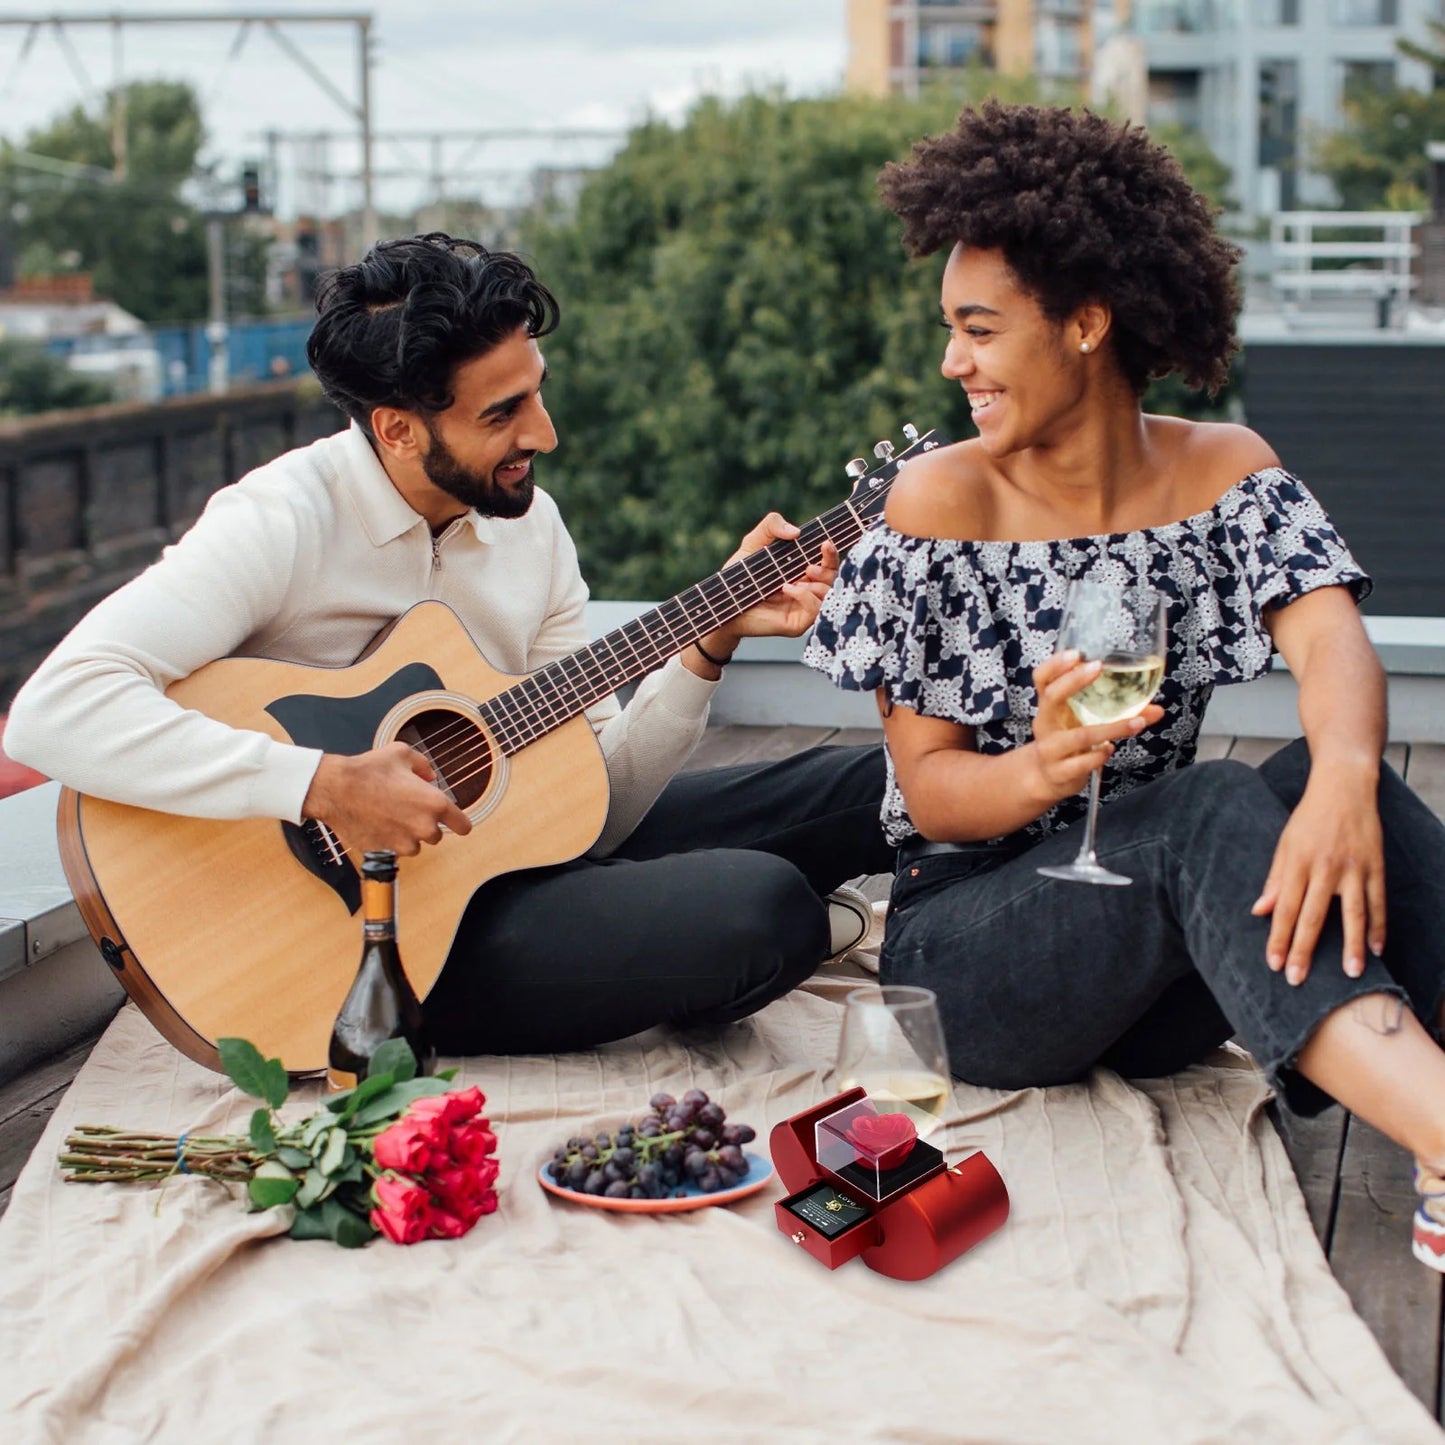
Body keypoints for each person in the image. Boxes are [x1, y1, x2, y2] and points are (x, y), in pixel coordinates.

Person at [803, 103, 1445, 1272]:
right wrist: (1037, 769)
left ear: (1085, 323)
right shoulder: (935, 507)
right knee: (1207, 806)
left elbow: (1329, 641)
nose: (953, 362)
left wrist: (1348, 775)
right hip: (971, 962)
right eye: (951, 330)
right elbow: (932, 793)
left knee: (1327, 781)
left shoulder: (1224, 472)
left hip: (1154, 972)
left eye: (979, 330)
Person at [6, 233, 893, 1056]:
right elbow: (53, 711)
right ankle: (761, 929)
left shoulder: (532, 529)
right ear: (396, 427)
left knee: (872, 782)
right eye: (503, 412)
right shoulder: (279, 522)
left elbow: (596, 807)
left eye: (537, 391)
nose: (543, 433)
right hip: (372, 944)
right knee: (761, 909)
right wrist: (323, 785)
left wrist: (705, 646)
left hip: (509, 860)